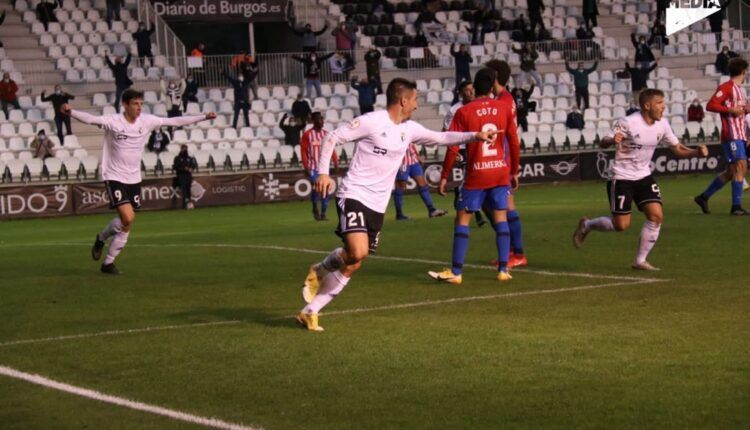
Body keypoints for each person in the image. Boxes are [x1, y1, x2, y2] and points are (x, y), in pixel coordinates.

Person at [296, 78, 498, 331]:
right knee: (358, 252)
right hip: (355, 194)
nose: (416, 104)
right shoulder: (372, 121)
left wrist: (475, 136)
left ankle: (310, 311)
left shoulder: (409, 129)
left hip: (379, 205)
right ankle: (320, 268)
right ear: (403, 100)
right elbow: (333, 138)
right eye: (414, 99)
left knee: (355, 262)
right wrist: (323, 173)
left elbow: (441, 137)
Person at [62, 88, 216, 274]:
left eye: (141, 104)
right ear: (125, 104)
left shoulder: (146, 121)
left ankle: (103, 247)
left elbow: (174, 121)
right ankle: (108, 262)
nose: (139, 108)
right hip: (113, 176)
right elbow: (91, 119)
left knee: (126, 222)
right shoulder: (113, 121)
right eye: (135, 104)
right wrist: (71, 112)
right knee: (128, 217)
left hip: (134, 178)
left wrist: (203, 117)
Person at [573, 89, 708, 270]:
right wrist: (612, 140)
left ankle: (640, 260)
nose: (664, 107)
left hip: (644, 176)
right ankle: (587, 225)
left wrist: (696, 152)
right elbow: (603, 142)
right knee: (621, 225)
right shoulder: (629, 122)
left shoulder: (663, 125)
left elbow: (677, 148)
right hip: (621, 178)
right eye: (659, 103)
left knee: (656, 216)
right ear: (647, 105)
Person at [428, 67, 520, 284]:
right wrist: (514, 170)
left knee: (463, 219)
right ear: (491, 87)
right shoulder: (503, 108)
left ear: (474, 87)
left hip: (477, 172)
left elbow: (452, 145)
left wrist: (444, 176)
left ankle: (456, 272)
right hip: (499, 171)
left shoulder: (464, 112)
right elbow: (514, 142)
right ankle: (503, 270)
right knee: (500, 217)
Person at [694, 58, 750, 216]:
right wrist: (731, 110)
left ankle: (703, 197)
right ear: (743, 72)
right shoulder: (727, 87)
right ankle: (736, 207)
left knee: (733, 171)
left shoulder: (740, 90)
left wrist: (745, 109)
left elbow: (740, 111)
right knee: (741, 166)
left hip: (740, 133)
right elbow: (711, 105)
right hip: (731, 134)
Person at [485, 59, 526, 268]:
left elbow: (510, 137)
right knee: (497, 207)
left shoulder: (503, 101)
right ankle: (510, 251)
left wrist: (513, 169)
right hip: (502, 157)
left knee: (507, 207)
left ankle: (518, 253)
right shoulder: (503, 98)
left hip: (504, 158)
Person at [441, 81, 487, 227]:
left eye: (472, 89)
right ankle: (477, 214)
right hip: (460, 148)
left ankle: (459, 193)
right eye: (467, 90)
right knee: (470, 176)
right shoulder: (455, 111)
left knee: (474, 178)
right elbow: (446, 132)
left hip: (477, 147)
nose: (471, 92)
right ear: (460, 93)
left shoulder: (480, 106)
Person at [392, 141, 448, 221]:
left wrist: (417, 156)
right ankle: (399, 214)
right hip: (402, 162)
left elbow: (411, 143)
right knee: (400, 187)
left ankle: (432, 210)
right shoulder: (393, 130)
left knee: (423, 184)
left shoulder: (408, 129)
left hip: (414, 161)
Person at [301, 112, 339, 221]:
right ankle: (315, 207)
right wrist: (306, 166)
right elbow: (303, 151)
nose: (321, 121)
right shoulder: (307, 134)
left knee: (325, 189)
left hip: (324, 169)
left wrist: (336, 162)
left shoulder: (326, 134)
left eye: (322, 119)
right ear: (313, 121)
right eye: (318, 119)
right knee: (317, 188)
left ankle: (323, 213)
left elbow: (331, 149)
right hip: (312, 167)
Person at [173, 144, 197, 209]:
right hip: (181, 176)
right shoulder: (177, 158)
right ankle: (184, 203)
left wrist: (191, 168)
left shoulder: (189, 158)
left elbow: (194, 165)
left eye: (186, 148)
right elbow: (175, 167)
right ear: (181, 149)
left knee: (188, 189)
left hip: (188, 176)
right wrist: (184, 169)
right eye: (183, 149)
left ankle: (189, 203)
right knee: (184, 189)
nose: (185, 150)